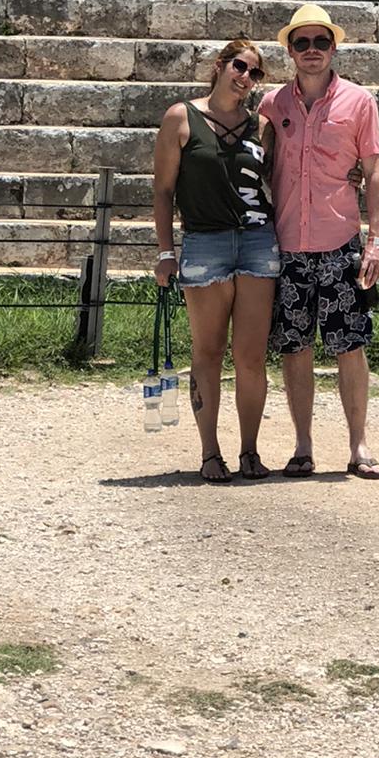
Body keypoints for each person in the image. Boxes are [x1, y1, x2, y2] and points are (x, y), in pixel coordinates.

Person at [259, 3, 379, 480]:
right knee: (295, 347)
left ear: (334, 47)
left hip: (339, 243)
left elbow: (374, 175)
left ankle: (359, 445)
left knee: (349, 345)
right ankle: (303, 445)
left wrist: (375, 241)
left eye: (320, 42)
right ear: (290, 50)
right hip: (289, 241)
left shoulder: (360, 102)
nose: (311, 51)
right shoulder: (273, 104)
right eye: (301, 42)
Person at [151, 38, 279, 483]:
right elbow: (164, 191)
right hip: (205, 243)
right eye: (241, 67)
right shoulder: (180, 117)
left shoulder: (261, 126)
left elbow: (282, 180)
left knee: (251, 355)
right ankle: (210, 452)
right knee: (207, 352)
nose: (246, 77)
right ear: (221, 65)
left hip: (258, 242)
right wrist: (166, 252)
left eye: (256, 73)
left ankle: (249, 451)